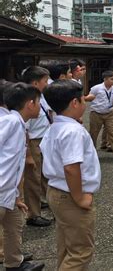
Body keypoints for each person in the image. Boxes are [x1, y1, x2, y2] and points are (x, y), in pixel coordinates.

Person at [41, 80, 102, 269]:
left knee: (67, 244)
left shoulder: (54, 127)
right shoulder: (73, 131)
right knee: (81, 251)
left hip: (56, 191)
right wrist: (80, 198)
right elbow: (71, 167)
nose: (85, 103)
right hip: (70, 195)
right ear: (75, 103)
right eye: (83, 100)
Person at [0, 83, 44, 271]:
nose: (41, 107)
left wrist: (16, 194)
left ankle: (14, 264)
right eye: (39, 102)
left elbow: (15, 163)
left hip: (8, 192)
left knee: (14, 226)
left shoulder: (18, 123)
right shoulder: (9, 122)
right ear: (30, 103)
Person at [21, 66, 53, 228]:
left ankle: (43, 201)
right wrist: (27, 155)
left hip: (44, 140)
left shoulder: (40, 97)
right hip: (33, 143)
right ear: (35, 83)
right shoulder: (27, 101)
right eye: (45, 81)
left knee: (45, 175)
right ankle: (33, 214)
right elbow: (24, 129)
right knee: (33, 179)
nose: (47, 84)